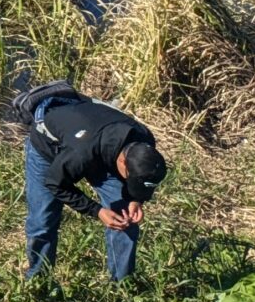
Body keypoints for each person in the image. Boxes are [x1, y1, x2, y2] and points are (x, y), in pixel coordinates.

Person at [19, 83, 168, 282]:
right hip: (48, 150)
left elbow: (142, 179)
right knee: (43, 220)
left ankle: (122, 286)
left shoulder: (144, 140)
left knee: (125, 218)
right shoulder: (82, 152)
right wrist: (96, 211)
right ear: (123, 163)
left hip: (98, 144)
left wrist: (135, 199)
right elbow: (55, 183)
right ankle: (37, 281)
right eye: (130, 180)